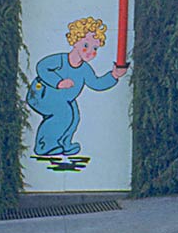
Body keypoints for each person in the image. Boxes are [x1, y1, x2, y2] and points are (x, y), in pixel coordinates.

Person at [27, 16, 129, 157]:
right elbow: (42, 67)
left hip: (64, 99)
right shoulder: (61, 60)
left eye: (95, 48)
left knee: (74, 117)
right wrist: (58, 82)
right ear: (75, 41)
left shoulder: (85, 69)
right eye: (86, 45)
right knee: (63, 114)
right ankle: (44, 145)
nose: (90, 52)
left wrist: (114, 75)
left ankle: (64, 143)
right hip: (41, 94)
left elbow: (96, 83)